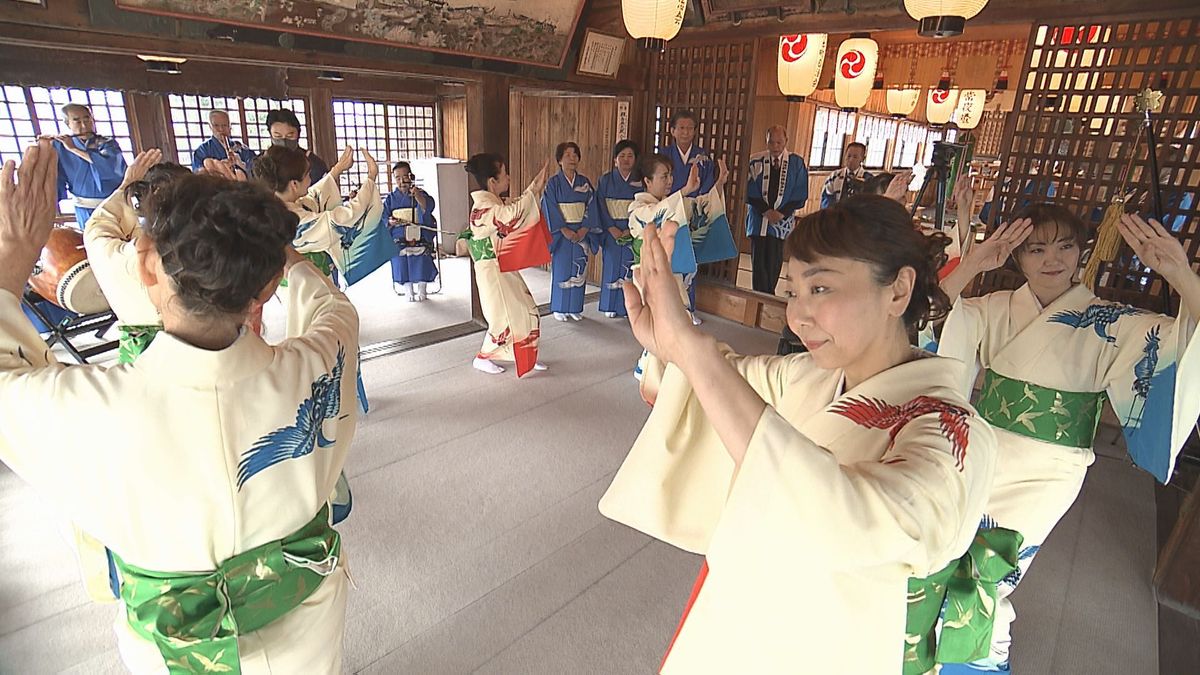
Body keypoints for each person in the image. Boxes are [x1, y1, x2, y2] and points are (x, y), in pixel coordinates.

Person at [599, 195, 998, 673]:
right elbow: (718, 382)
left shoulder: (951, 431)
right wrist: (674, 344)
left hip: (842, 649)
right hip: (752, 621)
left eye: (822, 289)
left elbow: (863, 519)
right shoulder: (807, 375)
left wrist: (692, 349)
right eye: (792, 292)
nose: (799, 316)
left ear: (897, 291)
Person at [0, 140, 358, 674]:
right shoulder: (320, 358)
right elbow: (330, 301)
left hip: (170, 651)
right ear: (267, 285)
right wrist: (263, 237)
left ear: (145, 266)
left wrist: (11, 260)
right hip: (306, 627)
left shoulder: (82, 409)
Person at [934, 203, 1200, 673]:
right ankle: (962, 654)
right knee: (948, 554)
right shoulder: (994, 309)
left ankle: (980, 660)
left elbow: (1187, 340)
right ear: (1017, 257)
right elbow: (925, 317)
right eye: (1035, 249)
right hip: (981, 452)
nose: (1051, 259)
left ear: (1083, 252)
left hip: (1049, 470)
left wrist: (1181, 276)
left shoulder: (1109, 322)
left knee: (992, 572)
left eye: (1064, 246)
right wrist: (973, 263)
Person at [462, 153, 550, 376]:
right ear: (492, 181)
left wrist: (533, 190)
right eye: (505, 174)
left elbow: (515, 209)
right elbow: (511, 215)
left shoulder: (492, 204)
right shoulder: (482, 209)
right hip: (491, 272)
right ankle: (483, 357)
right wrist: (533, 189)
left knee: (527, 310)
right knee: (502, 320)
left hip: (502, 267)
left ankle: (527, 356)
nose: (509, 178)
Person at [252, 144, 382, 282]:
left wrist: (337, 169)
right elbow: (344, 218)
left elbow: (314, 198)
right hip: (306, 285)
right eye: (308, 175)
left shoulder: (281, 207)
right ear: (294, 184)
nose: (310, 179)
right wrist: (371, 178)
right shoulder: (292, 220)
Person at [661, 110, 716, 321]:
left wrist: (700, 211)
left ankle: (688, 308)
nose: (685, 132)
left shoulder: (702, 157)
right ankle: (669, 309)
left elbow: (708, 187)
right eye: (681, 128)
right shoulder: (663, 155)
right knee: (670, 261)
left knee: (690, 262)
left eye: (690, 128)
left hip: (694, 214)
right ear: (672, 131)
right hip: (670, 213)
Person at [39, 103, 129, 227]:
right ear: (67, 123)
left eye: (87, 119)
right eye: (77, 121)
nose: (84, 125)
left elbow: (111, 167)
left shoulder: (107, 143)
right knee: (89, 242)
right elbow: (53, 175)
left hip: (113, 207)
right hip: (84, 208)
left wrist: (74, 149)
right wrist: (43, 146)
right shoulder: (59, 146)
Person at [745, 125, 808, 295]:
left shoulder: (796, 163)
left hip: (782, 221)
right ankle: (758, 297)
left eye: (779, 142)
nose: (775, 147)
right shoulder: (755, 161)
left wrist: (781, 213)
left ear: (786, 141)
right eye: (771, 142)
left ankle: (768, 295)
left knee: (774, 260)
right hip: (759, 220)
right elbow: (748, 190)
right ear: (766, 141)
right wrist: (765, 211)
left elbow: (800, 193)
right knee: (758, 262)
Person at [543, 141, 598, 321]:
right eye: (567, 155)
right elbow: (549, 207)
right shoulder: (553, 184)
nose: (572, 158)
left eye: (575, 155)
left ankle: (575, 307)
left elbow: (592, 205)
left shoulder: (584, 183)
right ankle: (559, 307)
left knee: (580, 266)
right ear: (559, 160)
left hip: (581, 231)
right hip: (562, 233)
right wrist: (563, 229)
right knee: (562, 268)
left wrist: (584, 228)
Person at [595, 140, 641, 318]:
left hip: (632, 229)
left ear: (635, 159)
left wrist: (632, 228)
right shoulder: (605, 180)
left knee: (629, 265)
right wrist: (610, 227)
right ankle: (609, 305)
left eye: (630, 156)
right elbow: (600, 205)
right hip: (611, 230)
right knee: (612, 264)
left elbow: (642, 204)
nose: (626, 160)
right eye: (622, 156)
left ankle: (628, 305)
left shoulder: (639, 181)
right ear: (615, 160)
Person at [383, 161, 438, 302]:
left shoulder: (419, 193)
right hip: (399, 232)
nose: (402, 181)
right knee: (398, 251)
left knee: (423, 248)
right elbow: (383, 216)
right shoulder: (390, 199)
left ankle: (422, 287)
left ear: (411, 176)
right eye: (398, 178)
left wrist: (418, 196)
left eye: (404, 176)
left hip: (419, 230)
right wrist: (389, 221)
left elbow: (429, 207)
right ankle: (408, 289)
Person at [266, 108, 329, 185]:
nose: (284, 141)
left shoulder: (314, 163)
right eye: (278, 136)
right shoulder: (262, 164)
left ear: (298, 133)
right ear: (270, 135)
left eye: (290, 136)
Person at [191, 109, 255, 176]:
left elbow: (255, 169)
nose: (221, 129)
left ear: (230, 126)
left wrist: (240, 164)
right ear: (210, 127)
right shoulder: (202, 150)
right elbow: (199, 175)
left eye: (224, 125)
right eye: (216, 125)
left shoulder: (241, 148)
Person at [820, 141, 871, 208]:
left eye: (855, 157)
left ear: (862, 159)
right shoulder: (834, 176)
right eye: (848, 156)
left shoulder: (869, 179)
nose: (850, 159)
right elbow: (826, 198)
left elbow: (870, 203)